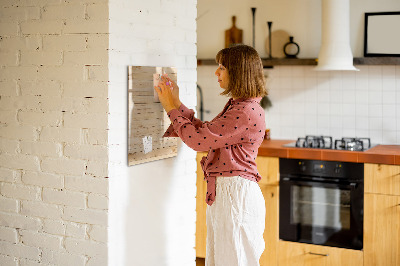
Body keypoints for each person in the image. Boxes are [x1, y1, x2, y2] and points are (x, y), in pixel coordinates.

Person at [154, 44, 267, 266]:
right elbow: (206, 133)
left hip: (235, 196)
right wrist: (176, 104)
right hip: (230, 194)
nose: (217, 73)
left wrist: (170, 108)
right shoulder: (240, 106)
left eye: (222, 67)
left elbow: (198, 141)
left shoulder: (244, 111)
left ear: (238, 72)